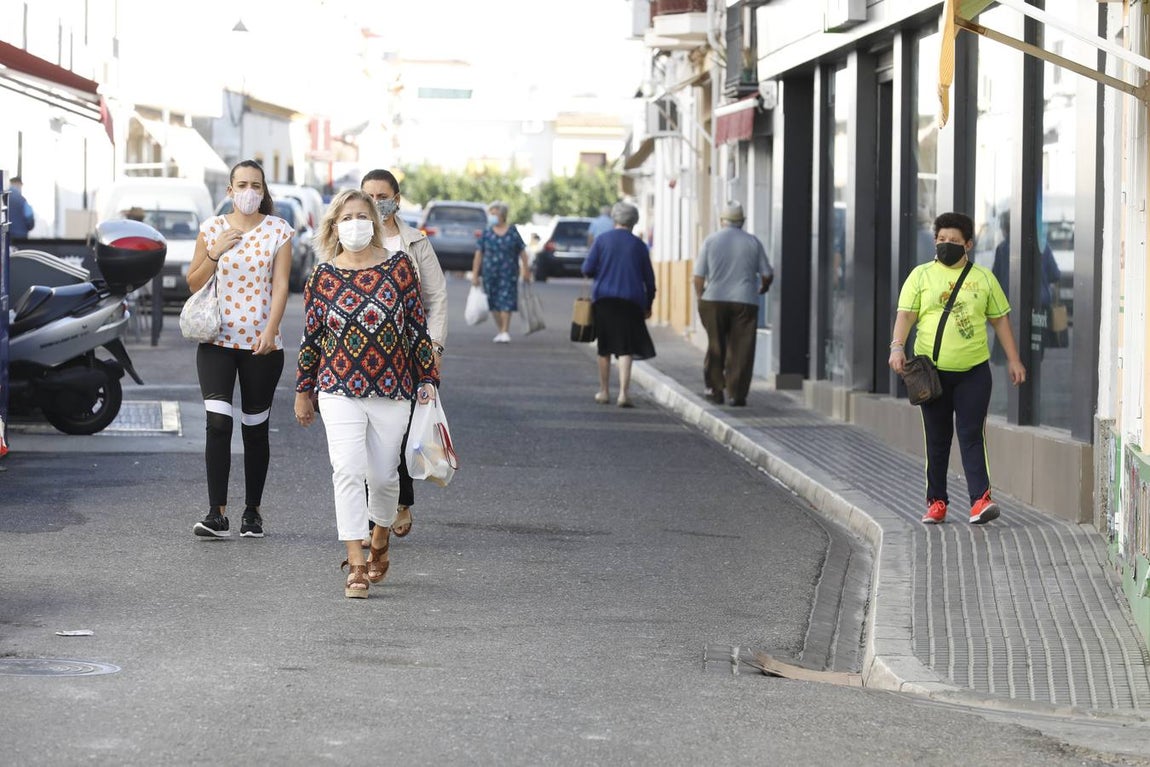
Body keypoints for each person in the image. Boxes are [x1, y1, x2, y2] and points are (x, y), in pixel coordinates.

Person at [294, 189, 440, 599]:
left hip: (393, 389)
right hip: (337, 388)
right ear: (334, 226)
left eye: (362, 215)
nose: (355, 223)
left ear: (374, 223)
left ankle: (380, 536)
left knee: (383, 476)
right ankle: (356, 562)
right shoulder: (322, 277)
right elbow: (311, 339)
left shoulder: (398, 269)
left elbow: (416, 327)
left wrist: (428, 379)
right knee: (347, 470)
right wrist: (304, 390)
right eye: (347, 216)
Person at [888, 211, 1026, 526]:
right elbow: (906, 316)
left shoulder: (984, 279)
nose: (946, 245)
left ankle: (981, 500)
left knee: (971, 434)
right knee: (937, 439)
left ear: (968, 244)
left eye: (953, 241)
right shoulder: (921, 276)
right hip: (931, 374)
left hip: (974, 373)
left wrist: (1014, 359)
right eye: (941, 240)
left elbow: (1000, 319)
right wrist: (897, 347)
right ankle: (937, 502)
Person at [187, 160, 294, 539]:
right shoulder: (212, 228)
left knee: (255, 427)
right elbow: (192, 281)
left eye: (256, 185)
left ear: (264, 191)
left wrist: (271, 329)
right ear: (230, 191)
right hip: (216, 342)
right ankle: (217, 513)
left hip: (261, 346)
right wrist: (214, 252)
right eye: (242, 184)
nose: (249, 191)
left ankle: (253, 511)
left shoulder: (278, 230)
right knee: (217, 422)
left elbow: (281, 285)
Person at [360, 168, 448, 542]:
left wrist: (435, 347)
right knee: (363, 436)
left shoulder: (414, 242)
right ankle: (370, 520)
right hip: (358, 356)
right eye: (369, 196)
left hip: (406, 357)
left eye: (383, 195)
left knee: (395, 434)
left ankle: (400, 502)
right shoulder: (353, 236)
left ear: (397, 197)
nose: (377, 202)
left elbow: (437, 297)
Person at [693, 201, 774, 407]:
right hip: (745, 300)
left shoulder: (710, 241)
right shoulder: (753, 242)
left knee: (715, 345)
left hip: (714, 300)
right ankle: (736, 394)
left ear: (722, 221)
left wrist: (700, 296)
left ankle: (714, 389)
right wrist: (763, 288)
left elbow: (698, 276)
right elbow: (767, 274)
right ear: (743, 221)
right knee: (742, 349)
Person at [581, 201, 656, 407]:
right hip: (631, 301)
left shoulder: (601, 240)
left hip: (604, 300)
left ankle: (604, 391)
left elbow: (587, 268)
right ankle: (624, 393)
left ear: (615, 219)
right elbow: (649, 280)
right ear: (634, 221)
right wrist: (648, 304)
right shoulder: (639, 246)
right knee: (626, 347)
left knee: (604, 347)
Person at [990, 210, 1061, 359]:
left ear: (1005, 228)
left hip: (1009, 310)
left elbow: (994, 280)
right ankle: (1031, 380)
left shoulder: (1003, 249)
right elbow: (1055, 274)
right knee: (1035, 354)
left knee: (1010, 356)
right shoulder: (1043, 247)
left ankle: (1016, 381)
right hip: (1038, 308)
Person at [471, 201, 530, 343]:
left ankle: (505, 330)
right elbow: (479, 254)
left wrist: (526, 270)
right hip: (490, 273)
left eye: (494, 213)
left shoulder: (512, 231)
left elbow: (522, 251)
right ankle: (501, 330)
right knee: (492, 301)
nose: (492, 216)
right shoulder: (487, 232)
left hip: (509, 273)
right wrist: (475, 274)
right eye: (490, 213)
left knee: (507, 300)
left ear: (502, 215)